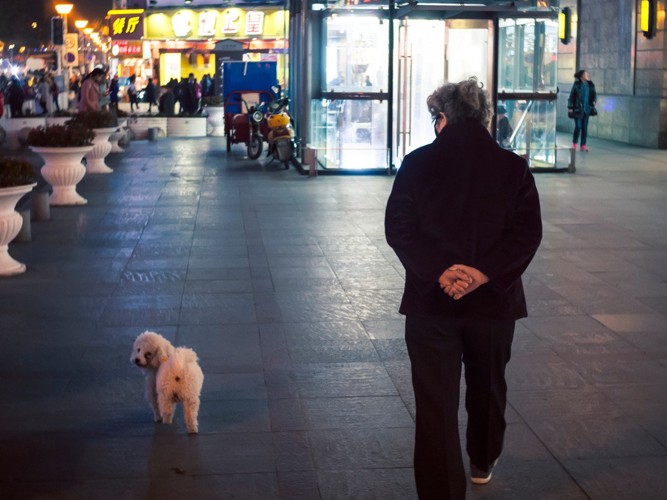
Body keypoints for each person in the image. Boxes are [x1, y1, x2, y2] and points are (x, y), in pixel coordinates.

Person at [385, 77, 542, 500]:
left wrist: (441, 272)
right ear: (485, 119)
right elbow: (527, 233)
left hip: (431, 303)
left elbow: (398, 227)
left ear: (442, 120)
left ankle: (441, 492)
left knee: (434, 405)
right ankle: (482, 459)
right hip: (494, 304)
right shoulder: (513, 167)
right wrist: (482, 274)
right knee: (488, 384)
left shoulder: (417, 164)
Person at [568, 69, 597, 152]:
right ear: (581, 77)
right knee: (578, 126)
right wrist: (570, 107)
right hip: (578, 109)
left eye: (588, 74)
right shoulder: (577, 85)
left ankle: (583, 145)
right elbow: (571, 96)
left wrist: (594, 101)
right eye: (585, 75)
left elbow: (594, 94)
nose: (587, 76)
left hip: (587, 109)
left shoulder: (591, 85)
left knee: (584, 128)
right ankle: (574, 143)